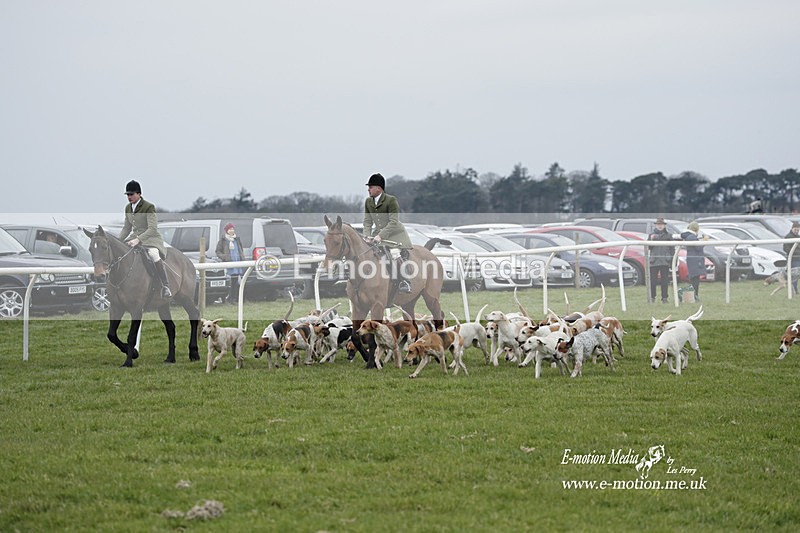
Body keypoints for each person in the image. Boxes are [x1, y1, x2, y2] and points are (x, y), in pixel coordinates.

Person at [119, 179, 172, 298]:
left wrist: (138, 240)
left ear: (139, 194)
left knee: (153, 254)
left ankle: (165, 285)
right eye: (127, 194)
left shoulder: (148, 207)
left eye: (131, 194)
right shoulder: (128, 208)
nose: (129, 197)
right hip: (134, 237)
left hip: (151, 238)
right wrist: (119, 241)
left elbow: (152, 228)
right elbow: (127, 228)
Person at [363, 173, 413, 293]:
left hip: (395, 235)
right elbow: (367, 221)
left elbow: (393, 222)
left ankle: (404, 281)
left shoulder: (391, 200)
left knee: (395, 254)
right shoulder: (368, 202)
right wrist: (366, 236)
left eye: (371, 187)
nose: (368, 189)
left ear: (379, 188)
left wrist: (381, 236)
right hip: (377, 236)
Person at [216, 223, 244, 303]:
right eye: (230, 229)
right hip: (229, 264)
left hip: (237, 263)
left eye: (232, 229)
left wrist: (242, 257)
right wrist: (225, 257)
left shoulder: (237, 239)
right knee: (230, 282)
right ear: (226, 231)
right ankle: (228, 298)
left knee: (236, 282)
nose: (232, 230)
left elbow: (240, 249)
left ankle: (233, 298)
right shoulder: (223, 240)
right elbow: (218, 251)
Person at [648, 218, 674, 304]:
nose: (660, 226)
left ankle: (664, 298)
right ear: (655, 225)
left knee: (665, 281)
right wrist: (651, 240)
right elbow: (648, 247)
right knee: (652, 281)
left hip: (665, 261)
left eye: (661, 224)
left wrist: (672, 261)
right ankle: (652, 297)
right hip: (654, 260)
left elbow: (672, 249)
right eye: (658, 224)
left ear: (664, 225)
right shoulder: (651, 235)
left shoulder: (668, 235)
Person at [681, 221, 704, 302]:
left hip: (693, 260)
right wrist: (703, 242)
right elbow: (698, 248)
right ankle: (694, 296)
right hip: (694, 260)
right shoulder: (692, 237)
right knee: (695, 280)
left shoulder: (689, 236)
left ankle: (695, 296)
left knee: (695, 279)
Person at [783, 221, 800, 293]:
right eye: (795, 230)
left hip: (798, 258)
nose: (796, 231)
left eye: (798, 230)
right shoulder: (788, 237)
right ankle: (794, 289)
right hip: (793, 259)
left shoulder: (798, 237)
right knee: (794, 275)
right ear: (792, 228)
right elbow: (786, 249)